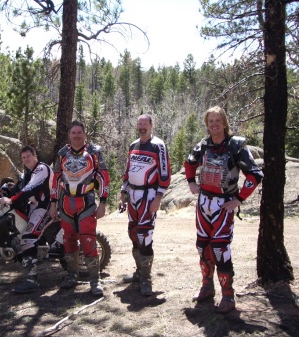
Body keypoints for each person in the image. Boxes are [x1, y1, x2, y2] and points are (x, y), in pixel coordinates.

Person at [184, 106, 264, 314]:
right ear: (206, 123)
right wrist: (191, 182)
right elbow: (189, 162)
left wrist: (238, 199)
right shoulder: (203, 145)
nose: (214, 125)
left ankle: (228, 295)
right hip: (203, 203)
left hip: (224, 204)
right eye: (210, 121)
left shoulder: (236, 146)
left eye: (217, 121)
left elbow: (254, 175)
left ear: (225, 122)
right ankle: (207, 287)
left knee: (220, 249)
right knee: (203, 247)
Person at [49, 120, 110, 296]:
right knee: (68, 240)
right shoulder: (62, 153)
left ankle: (95, 281)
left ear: (84, 134)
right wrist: (53, 204)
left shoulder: (94, 152)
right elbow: (56, 180)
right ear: (69, 135)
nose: (76, 136)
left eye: (79, 133)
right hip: (66, 202)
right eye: (73, 133)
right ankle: (71, 276)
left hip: (87, 202)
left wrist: (103, 203)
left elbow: (104, 178)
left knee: (88, 240)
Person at [118, 114, 171, 296]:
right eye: (139, 124)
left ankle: (146, 280)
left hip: (149, 196)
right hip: (132, 195)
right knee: (133, 233)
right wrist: (122, 193)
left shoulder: (158, 145)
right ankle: (139, 272)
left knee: (145, 235)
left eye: (144, 124)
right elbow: (127, 171)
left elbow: (165, 173)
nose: (142, 127)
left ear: (151, 125)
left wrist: (159, 197)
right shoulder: (133, 145)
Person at [0, 145, 54, 293]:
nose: (26, 159)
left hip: (47, 207)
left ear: (35, 155)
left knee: (28, 238)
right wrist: (6, 191)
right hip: (36, 206)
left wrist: (11, 200)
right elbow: (21, 186)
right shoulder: (30, 171)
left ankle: (32, 280)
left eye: (28, 156)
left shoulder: (41, 169)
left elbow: (29, 188)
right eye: (23, 158)